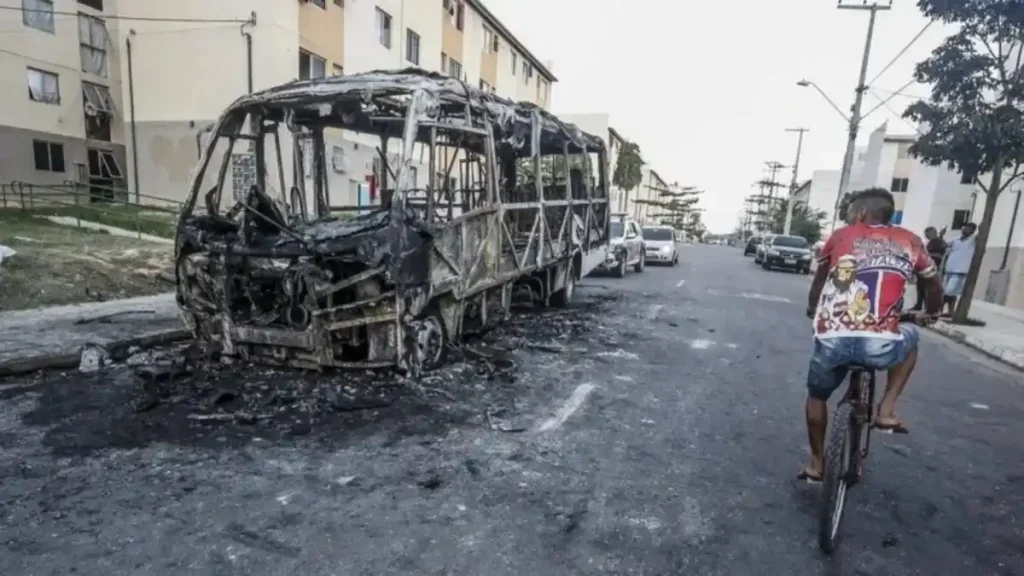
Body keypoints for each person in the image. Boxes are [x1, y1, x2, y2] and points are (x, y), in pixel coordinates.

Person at [800, 188, 943, 483]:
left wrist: (813, 309)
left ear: (862, 213)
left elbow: (819, 280)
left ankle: (817, 464)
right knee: (911, 336)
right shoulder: (911, 241)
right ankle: (887, 408)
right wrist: (931, 311)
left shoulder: (841, 236)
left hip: (833, 339)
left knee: (817, 397)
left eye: (852, 212)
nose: (850, 218)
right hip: (880, 343)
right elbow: (934, 284)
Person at [940, 222, 977, 316]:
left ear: (972, 231)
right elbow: (945, 246)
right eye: (963, 228)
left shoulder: (973, 240)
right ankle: (950, 312)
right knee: (951, 292)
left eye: (967, 228)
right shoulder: (955, 240)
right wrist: (941, 235)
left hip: (960, 271)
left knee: (948, 292)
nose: (964, 230)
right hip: (950, 269)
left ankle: (939, 310)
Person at [911, 226, 947, 311]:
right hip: (926, 268)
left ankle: (927, 307)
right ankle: (919, 305)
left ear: (932, 232)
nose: (926, 236)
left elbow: (939, 255)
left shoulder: (937, 242)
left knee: (928, 288)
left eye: (927, 234)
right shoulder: (932, 242)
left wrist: (925, 256)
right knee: (921, 287)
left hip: (930, 268)